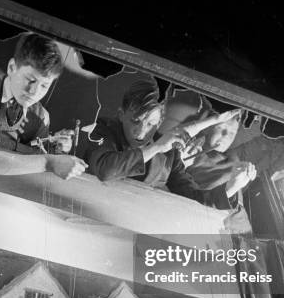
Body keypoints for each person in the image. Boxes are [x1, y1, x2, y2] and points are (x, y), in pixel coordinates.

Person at [77, 80, 243, 208]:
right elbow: (106, 170)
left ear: (160, 122)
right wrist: (155, 148)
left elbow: (193, 198)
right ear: (121, 115)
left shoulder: (169, 155)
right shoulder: (102, 131)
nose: (141, 131)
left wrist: (229, 189)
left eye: (150, 124)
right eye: (136, 121)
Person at [0, 33, 87, 179]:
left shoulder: (41, 116)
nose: (34, 92)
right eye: (30, 80)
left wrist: (56, 149)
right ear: (12, 67)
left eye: (44, 85)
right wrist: (49, 162)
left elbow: (33, 166)